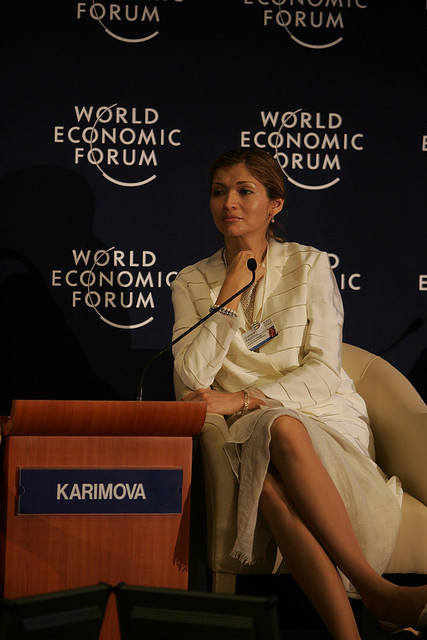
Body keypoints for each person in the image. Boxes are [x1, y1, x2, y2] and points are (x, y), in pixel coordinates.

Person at [170, 148, 427, 640]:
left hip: (324, 416)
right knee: (268, 457)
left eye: (244, 191)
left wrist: (245, 399)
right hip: (245, 431)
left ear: (276, 204)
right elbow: (192, 374)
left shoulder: (308, 264)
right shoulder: (190, 282)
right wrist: (227, 295)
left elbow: (325, 370)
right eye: (219, 191)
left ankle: (366, 606)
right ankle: (374, 597)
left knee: (276, 443)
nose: (229, 203)